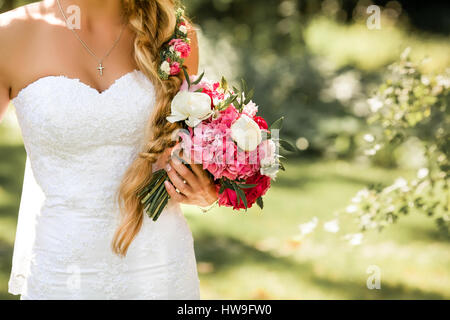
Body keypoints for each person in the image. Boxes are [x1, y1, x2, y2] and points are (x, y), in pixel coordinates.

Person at [0, 0, 217, 299]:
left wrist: (206, 189)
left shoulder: (172, 32)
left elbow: (188, 151)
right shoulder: (8, 35)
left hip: (161, 269)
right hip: (61, 274)